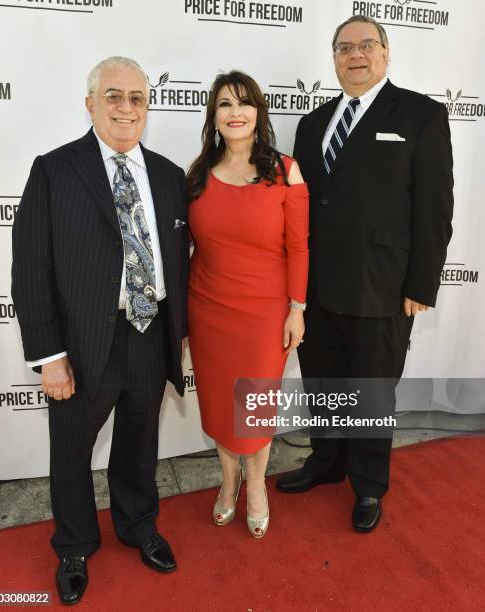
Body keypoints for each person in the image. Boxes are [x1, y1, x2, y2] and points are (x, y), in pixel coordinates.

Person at [11, 56, 188, 605]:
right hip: (84, 343)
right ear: (90, 103)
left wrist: (177, 333)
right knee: (71, 447)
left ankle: (137, 525)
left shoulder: (168, 175)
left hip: (149, 331)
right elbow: (30, 269)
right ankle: (74, 545)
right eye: (113, 95)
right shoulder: (54, 170)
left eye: (137, 97)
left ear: (147, 108)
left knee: (140, 441)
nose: (125, 107)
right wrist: (49, 356)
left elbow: (177, 263)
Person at [276, 15, 453, 532]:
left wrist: (422, 283)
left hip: (385, 284)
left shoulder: (421, 114)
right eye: (344, 47)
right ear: (333, 58)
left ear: (386, 51)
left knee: (373, 391)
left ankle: (369, 485)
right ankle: (326, 463)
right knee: (324, 381)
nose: (355, 54)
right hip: (316, 288)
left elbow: (435, 205)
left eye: (366, 45)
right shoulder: (313, 124)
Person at [186, 71, 309, 538]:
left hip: (264, 313)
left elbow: (299, 247)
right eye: (224, 104)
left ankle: (255, 484)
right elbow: (187, 249)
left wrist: (297, 307)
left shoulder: (285, 171)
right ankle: (228, 480)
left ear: (258, 112)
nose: (235, 112)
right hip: (207, 309)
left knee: (254, 408)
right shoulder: (197, 173)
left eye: (244, 103)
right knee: (221, 405)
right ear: (214, 117)